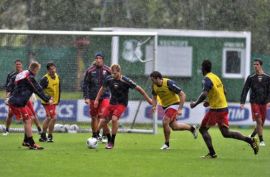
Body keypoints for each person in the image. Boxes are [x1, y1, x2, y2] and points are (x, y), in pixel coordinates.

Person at [190, 59, 259, 158]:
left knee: (203, 129)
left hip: (216, 110)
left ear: (203, 69)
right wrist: (210, 102)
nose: (201, 70)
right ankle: (250, 140)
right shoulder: (216, 77)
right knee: (226, 133)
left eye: (201, 68)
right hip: (223, 108)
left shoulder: (206, 79)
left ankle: (212, 153)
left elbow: (204, 93)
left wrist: (195, 104)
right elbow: (224, 91)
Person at [94, 64, 152, 149]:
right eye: (112, 73)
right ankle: (107, 139)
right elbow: (102, 89)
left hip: (121, 104)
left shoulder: (126, 80)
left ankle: (112, 142)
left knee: (114, 119)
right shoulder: (109, 79)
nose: (113, 75)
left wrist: (149, 100)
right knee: (103, 121)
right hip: (111, 103)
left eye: (115, 73)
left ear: (119, 72)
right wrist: (96, 99)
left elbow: (139, 89)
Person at [7, 61, 53, 150]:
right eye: (37, 70)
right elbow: (37, 89)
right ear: (35, 69)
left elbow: (12, 79)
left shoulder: (24, 73)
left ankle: (26, 141)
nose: (37, 72)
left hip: (19, 101)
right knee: (27, 120)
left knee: (31, 118)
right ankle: (31, 143)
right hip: (18, 102)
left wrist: (10, 91)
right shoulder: (29, 77)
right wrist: (47, 99)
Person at [150, 71, 198, 150]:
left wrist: (180, 109)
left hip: (174, 104)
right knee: (174, 127)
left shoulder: (169, 83)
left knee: (165, 121)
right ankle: (192, 128)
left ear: (158, 78)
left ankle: (167, 144)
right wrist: (154, 106)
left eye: (153, 80)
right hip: (166, 106)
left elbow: (182, 94)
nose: (152, 82)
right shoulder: (154, 86)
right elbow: (154, 97)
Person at [3, 59, 42, 136]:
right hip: (15, 97)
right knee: (10, 114)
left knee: (32, 114)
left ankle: (39, 130)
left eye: (19, 64)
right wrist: (7, 95)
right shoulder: (11, 75)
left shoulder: (25, 73)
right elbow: (8, 86)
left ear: (22, 65)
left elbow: (33, 84)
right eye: (17, 64)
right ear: (15, 65)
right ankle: (7, 130)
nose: (18, 65)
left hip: (27, 96)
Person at [240, 58, 270, 146]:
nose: (255, 66)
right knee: (259, 122)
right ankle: (261, 141)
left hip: (264, 103)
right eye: (254, 64)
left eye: (257, 64)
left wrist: (269, 101)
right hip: (254, 102)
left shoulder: (268, 78)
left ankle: (252, 136)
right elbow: (245, 90)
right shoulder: (251, 78)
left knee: (261, 123)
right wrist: (242, 102)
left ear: (261, 65)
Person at [82, 52, 111, 142]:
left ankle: (105, 134)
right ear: (95, 59)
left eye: (100, 58)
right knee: (94, 117)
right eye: (97, 58)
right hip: (93, 97)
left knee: (103, 116)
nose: (98, 60)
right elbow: (85, 84)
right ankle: (95, 135)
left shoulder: (108, 70)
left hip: (105, 96)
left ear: (103, 59)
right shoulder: (90, 70)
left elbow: (114, 81)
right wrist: (86, 97)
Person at [39, 62, 61, 143]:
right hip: (47, 101)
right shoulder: (45, 79)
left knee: (49, 118)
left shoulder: (57, 77)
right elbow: (39, 91)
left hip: (54, 101)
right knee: (53, 117)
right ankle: (49, 136)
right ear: (48, 70)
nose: (53, 70)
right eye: (51, 69)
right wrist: (48, 98)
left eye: (54, 68)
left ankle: (43, 136)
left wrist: (57, 100)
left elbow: (59, 89)